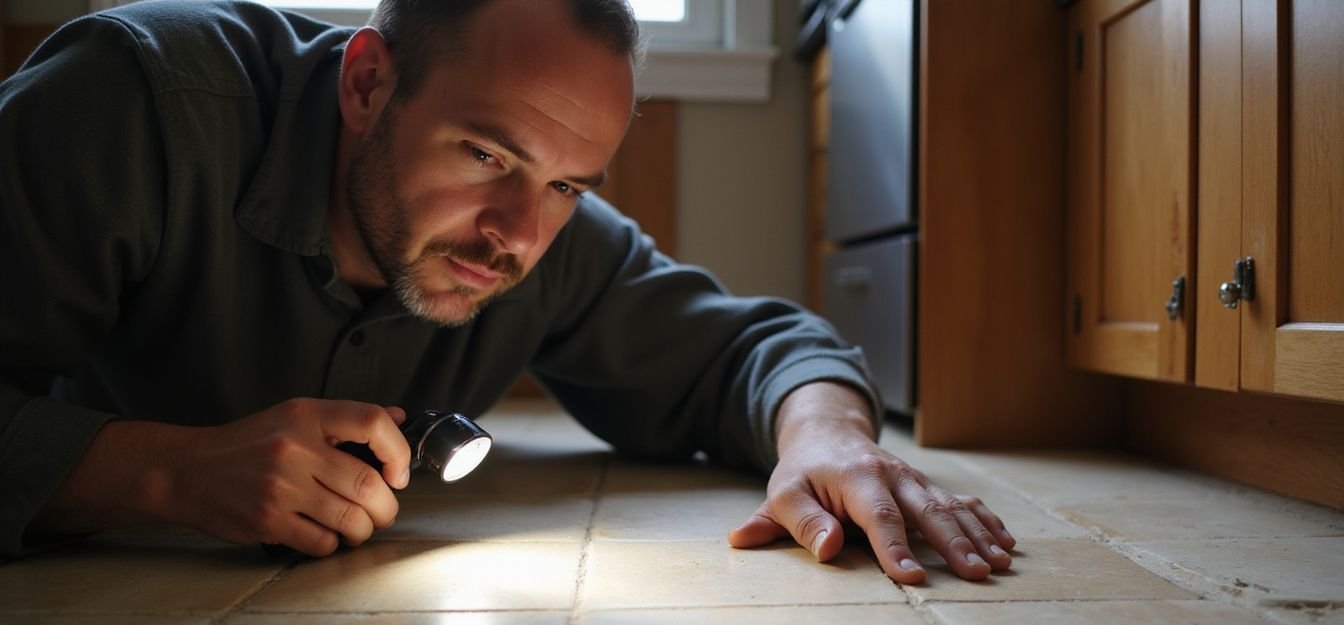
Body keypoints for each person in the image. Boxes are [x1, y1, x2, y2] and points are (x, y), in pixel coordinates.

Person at [0, 0, 1014, 583]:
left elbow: (756, 349)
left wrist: (828, 437)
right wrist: (162, 474)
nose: (518, 236)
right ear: (367, 85)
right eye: (487, 153)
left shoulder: (549, 240)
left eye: (568, 184)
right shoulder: (133, 102)